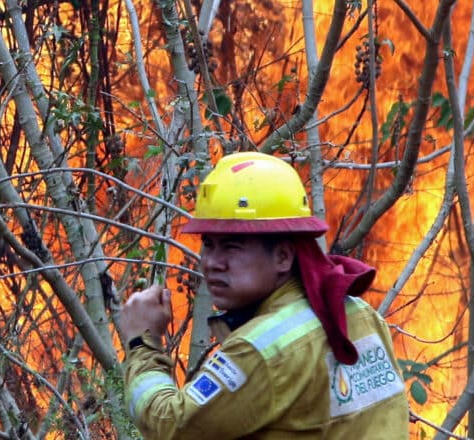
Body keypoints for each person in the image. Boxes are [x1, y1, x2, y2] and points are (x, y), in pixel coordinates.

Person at [119, 152, 409, 438]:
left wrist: (142, 342)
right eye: (208, 243)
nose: (212, 262)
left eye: (232, 246)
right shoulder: (359, 312)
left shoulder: (257, 351)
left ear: (283, 256)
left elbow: (171, 425)